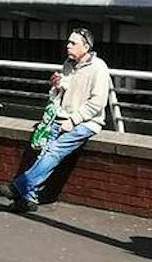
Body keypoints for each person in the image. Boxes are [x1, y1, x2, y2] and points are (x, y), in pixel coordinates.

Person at [8, 28, 112, 211]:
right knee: (44, 151)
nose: (68, 46)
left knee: (54, 150)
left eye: (73, 43)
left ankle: (20, 185)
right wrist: (58, 85)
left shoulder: (99, 68)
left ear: (86, 47)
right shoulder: (68, 64)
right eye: (68, 42)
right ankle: (29, 198)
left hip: (86, 122)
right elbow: (63, 93)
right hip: (62, 116)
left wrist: (73, 120)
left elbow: (98, 102)